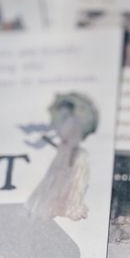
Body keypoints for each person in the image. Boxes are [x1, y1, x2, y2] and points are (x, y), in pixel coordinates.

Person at [25, 93, 98, 221]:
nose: (62, 115)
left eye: (65, 112)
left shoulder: (73, 122)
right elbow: (63, 137)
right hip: (63, 152)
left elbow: (72, 139)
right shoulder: (65, 122)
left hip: (68, 153)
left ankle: (62, 204)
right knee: (55, 178)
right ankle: (54, 204)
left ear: (70, 111)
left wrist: (68, 151)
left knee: (64, 179)